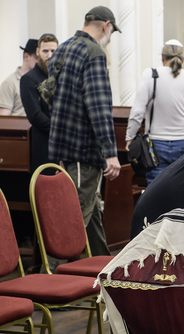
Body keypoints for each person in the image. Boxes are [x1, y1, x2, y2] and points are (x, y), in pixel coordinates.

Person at [48, 5, 122, 256]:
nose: (109, 39)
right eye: (112, 33)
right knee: (74, 219)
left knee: (89, 216)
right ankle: (56, 277)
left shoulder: (62, 49)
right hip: (84, 152)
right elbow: (98, 105)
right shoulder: (94, 53)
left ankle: (102, 271)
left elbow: (49, 97)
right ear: (106, 26)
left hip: (63, 148)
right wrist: (110, 152)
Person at [125, 39, 184, 185]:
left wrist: (129, 137)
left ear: (162, 57)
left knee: (157, 192)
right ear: (183, 59)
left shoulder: (150, 76)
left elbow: (137, 112)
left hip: (156, 145)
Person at [20, 34, 59, 172]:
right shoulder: (28, 79)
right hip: (43, 146)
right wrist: (61, 130)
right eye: (45, 51)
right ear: (38, 52)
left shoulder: (61, 77)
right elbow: (35, 116)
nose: (49, 55)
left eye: (53, 51)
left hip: (63, 147)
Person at [0, 39, 38, 116]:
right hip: (19, 127)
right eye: (37, 58)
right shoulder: (9, 83)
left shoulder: (43, 81)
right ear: (26, 56)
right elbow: (3, 119)